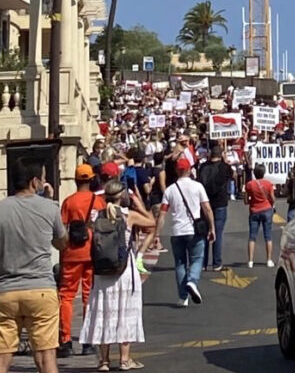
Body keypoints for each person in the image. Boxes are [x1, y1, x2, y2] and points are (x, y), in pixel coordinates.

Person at [0, 160, 67, 373]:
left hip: (4, 291)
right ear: (35, 182)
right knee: (45, 358)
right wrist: (49, 201)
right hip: (41, 289)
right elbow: (62, 243)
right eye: (43, 178)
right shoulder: (50, 208)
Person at [79, 180, 154, 371]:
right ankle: (125, 359)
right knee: (125, 311)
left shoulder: (96, 216)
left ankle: (104, 361)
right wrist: (137, 202)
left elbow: (87, 230)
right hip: (124, 270)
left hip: (103, 271)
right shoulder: (129, 216)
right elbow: (152, 223)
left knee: (104, 312)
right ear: (122, 196)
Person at [58, 164, 106, 357]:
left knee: (66, 296)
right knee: (89, 296)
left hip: (71, 252)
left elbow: (61, 230)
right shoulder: (98, 201)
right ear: (92, 179)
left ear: (76, 180)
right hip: (92, 251)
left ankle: (66, 339)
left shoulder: (68, 202)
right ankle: (87, 340)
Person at [157, 157, 215, 307]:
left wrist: (157, 235)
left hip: (177, 231)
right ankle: (192, 281)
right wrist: (212, 228)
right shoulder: (198, 187)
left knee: (180, 263)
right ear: (189, 170)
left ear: (177, 170)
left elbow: (162, 213)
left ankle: (183, 297)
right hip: (194, 229)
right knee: (197, 259)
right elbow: (207, 208)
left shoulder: (170, 190)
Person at [198, 145, 233, 271]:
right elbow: (231, 176)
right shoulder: (224, 167)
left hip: (204, 203)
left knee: (204, 234)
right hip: (219, 204)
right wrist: (225, 161)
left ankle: (203, 263)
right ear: (221, 155)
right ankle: (217, 263)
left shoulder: (202, 167)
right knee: (217, 233)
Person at [244, 163, 276, 268]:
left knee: (252, 237)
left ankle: (250, 261)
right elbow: (272, 198)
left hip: (254, 211)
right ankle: (269, 260)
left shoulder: (249, 185)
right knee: (268, 236)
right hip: (266, 210)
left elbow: (245, 201)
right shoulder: (268, 184)